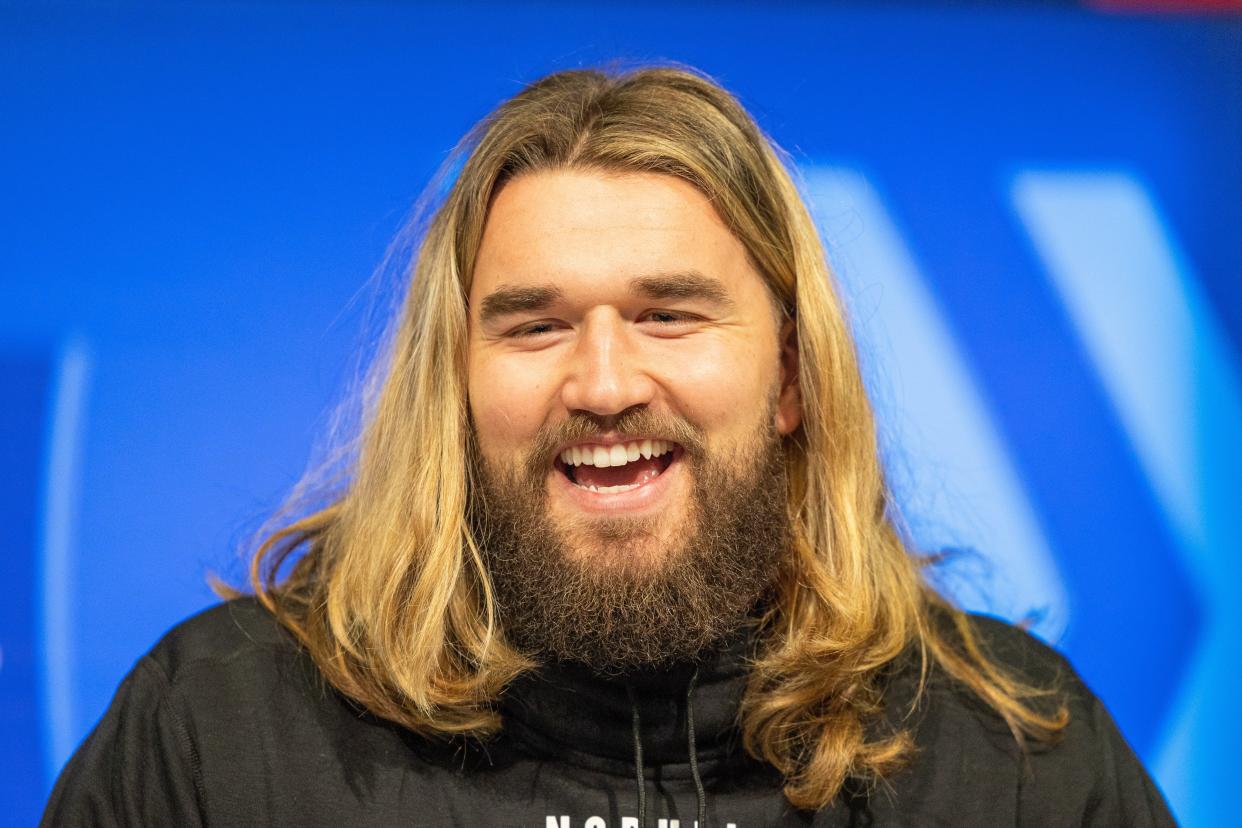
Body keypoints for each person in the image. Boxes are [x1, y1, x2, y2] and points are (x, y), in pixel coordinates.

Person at [42, 65, 1176, 827]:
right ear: (457, 385)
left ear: (788, 375)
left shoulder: (1012, 755)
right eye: (534, 325)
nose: (602, 382)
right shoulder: (220, 732)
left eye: (669, 314)